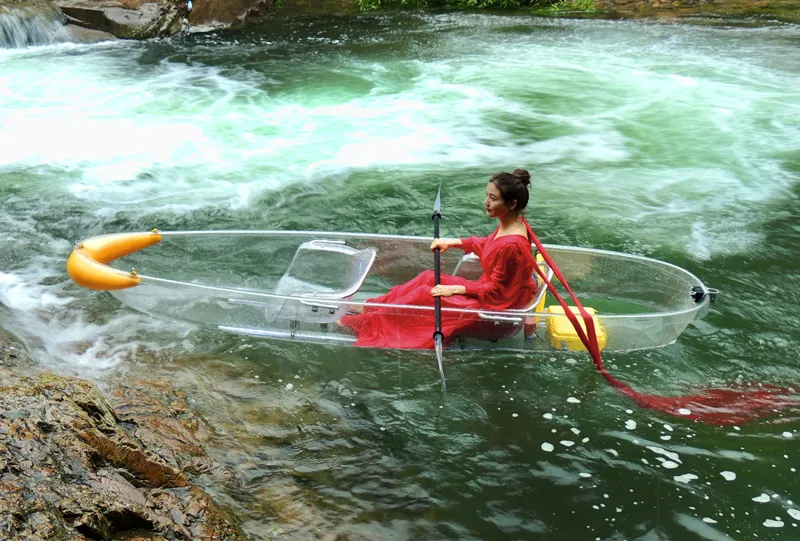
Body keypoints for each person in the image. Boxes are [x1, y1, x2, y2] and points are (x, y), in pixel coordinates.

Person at [339, 169, 538, 349]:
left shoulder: (512, 245)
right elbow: (487, 243)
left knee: (426, 294)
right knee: (427, 277)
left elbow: (497, 290)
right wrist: (452, 242)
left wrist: (455, 289)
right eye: (487, 195)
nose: (486, 202)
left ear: (511, 204)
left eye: (493, 198)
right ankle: (372, 307)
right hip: (488, 293)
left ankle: (362, 324)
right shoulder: (512, 224)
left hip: (494, 307)